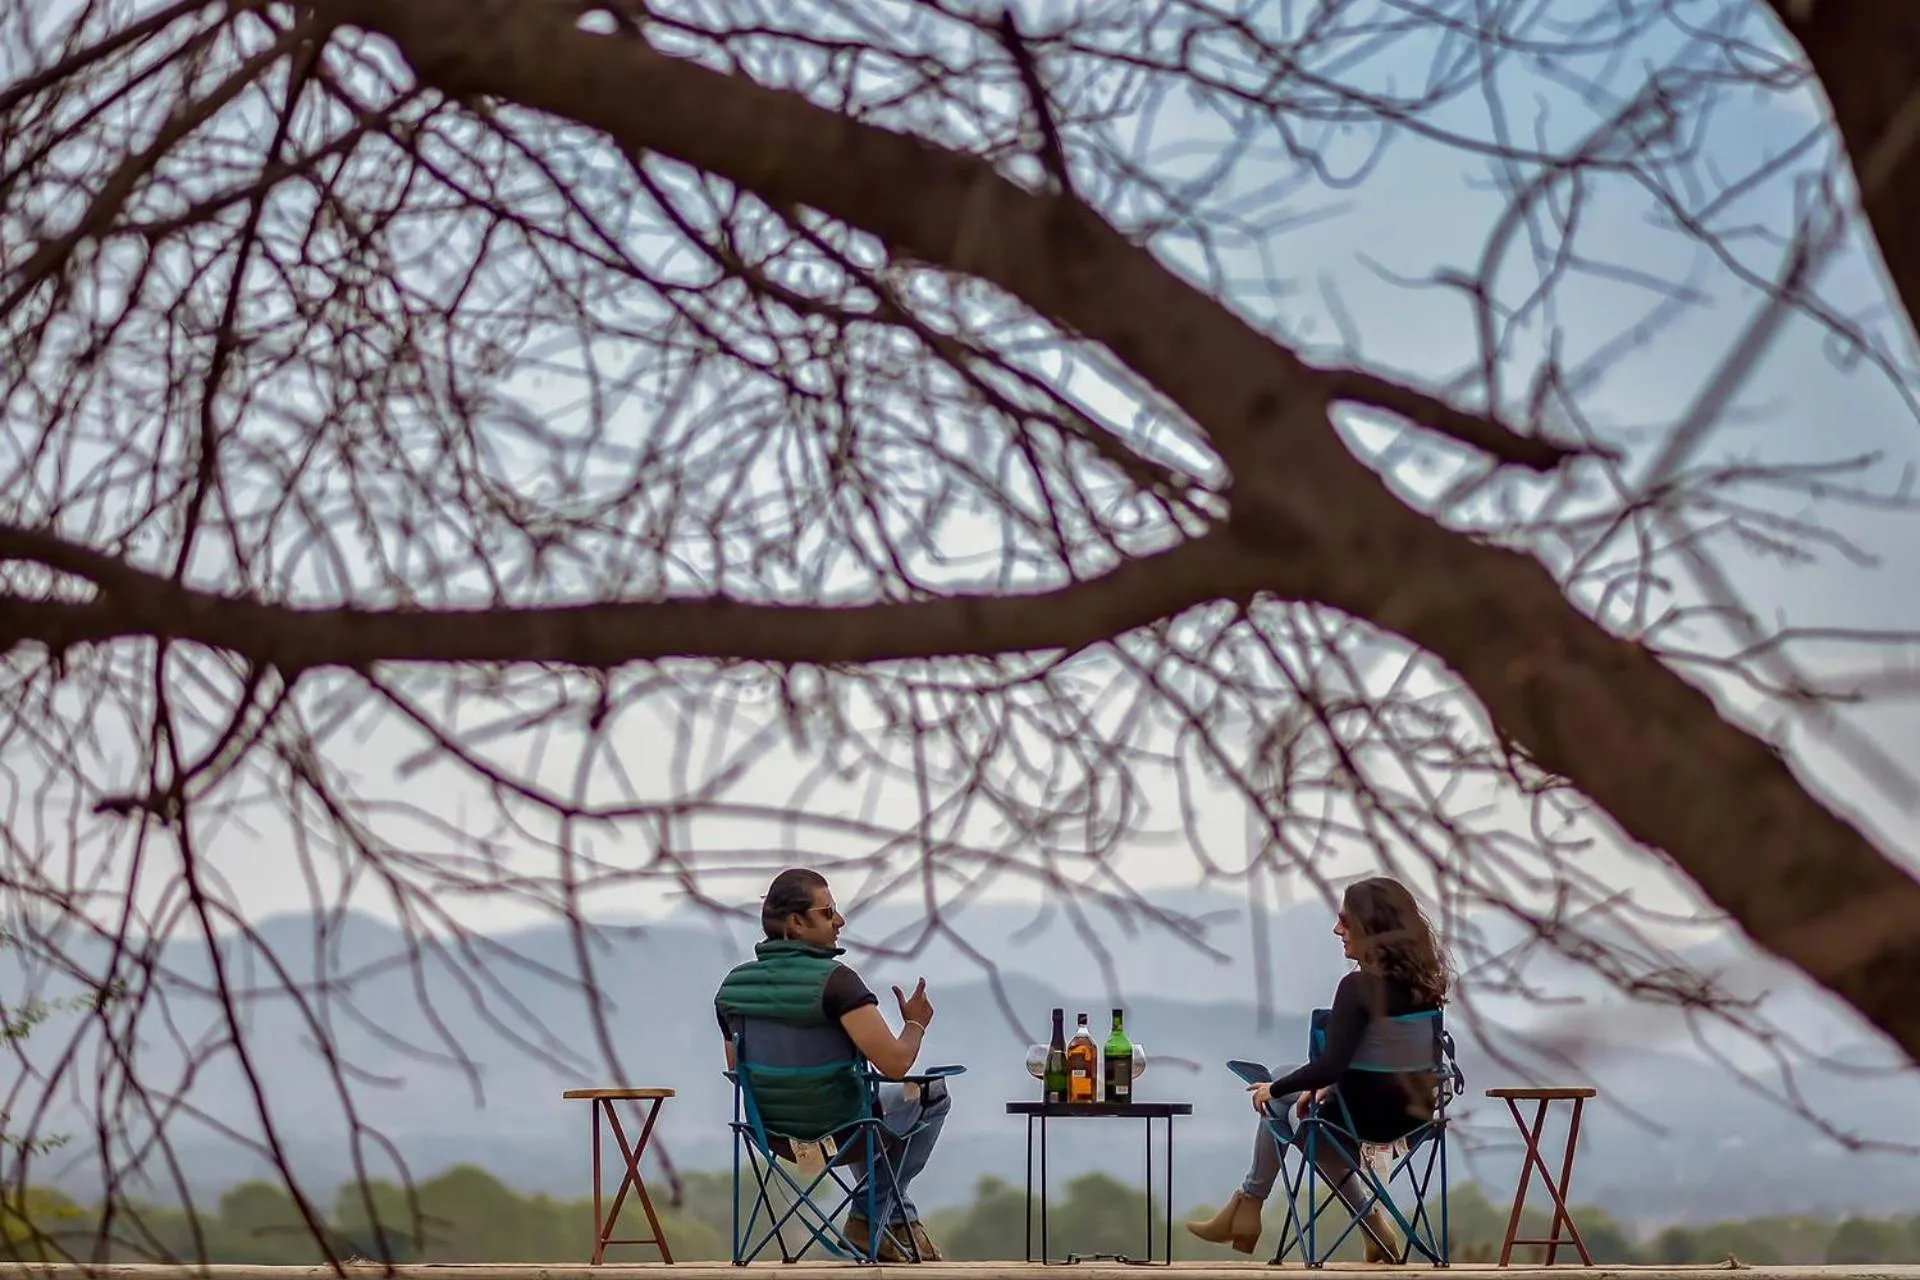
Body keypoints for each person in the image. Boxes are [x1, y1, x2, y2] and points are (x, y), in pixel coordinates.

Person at [1187, 876, 1450, 1262]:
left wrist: (1273, 1090)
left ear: (1372, 928)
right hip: (1411, 1121)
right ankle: (1364, 1225)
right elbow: (1377, 1064)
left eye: (1346, 920)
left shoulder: (1358, 987)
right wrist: (1328, 1085)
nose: (1337, 929)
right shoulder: (1424, 990)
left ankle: (1249, 1205)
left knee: (1282, 1106)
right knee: (1294, 1090)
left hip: (1355, 1124)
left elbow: (1327, 1067)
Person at [715, 868, 949, 1263]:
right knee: (931, 1094)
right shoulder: (837, 983)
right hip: (846, 1137)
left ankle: (895, 1222)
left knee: (868, 1108)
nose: (840, 921)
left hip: (773, 1137)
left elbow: (739, 1071)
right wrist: (915, 1023)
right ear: (796, 923)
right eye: (828, 913)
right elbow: (894, 1064)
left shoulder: (733, 988)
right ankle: (867, 1215)